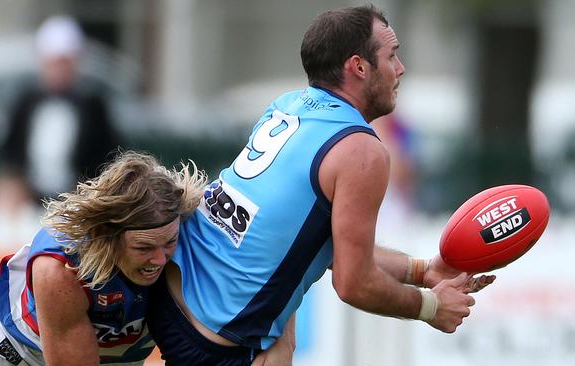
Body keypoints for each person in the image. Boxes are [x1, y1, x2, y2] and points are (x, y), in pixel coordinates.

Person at [146, 5, 495, 365]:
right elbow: (353, 283)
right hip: (215, 343)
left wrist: (424, 272)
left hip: (169, 297)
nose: (400, 68)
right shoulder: (362, 151)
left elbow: (303, 240)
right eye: (392, 56)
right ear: (359, 67)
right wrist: (431, 307)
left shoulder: (288, 106)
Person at [0, 151, 295, 366]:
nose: (159, 260)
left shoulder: (194, 231)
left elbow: (276, 257)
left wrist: (284, 343)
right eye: (144, 248)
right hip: (11, 350)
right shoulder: (61, 270)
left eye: (167, 243)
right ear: (110, 238)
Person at [0, 15, 119, 205]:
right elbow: (10, 153)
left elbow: (108, 158)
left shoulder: (93, 106)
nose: (58, 70)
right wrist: (13, 182)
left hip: (79, 201)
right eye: (53, 63)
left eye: (64, 62)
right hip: (29, 200)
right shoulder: (25, 103)